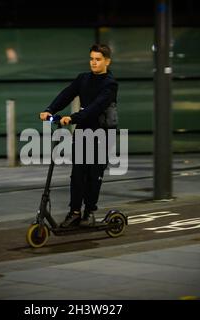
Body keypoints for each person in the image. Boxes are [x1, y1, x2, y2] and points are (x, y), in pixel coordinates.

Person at [39, 44, 118, 228]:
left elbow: (96, 107)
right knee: (77, 173)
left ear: (107, 61)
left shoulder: (110, 84)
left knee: (93, 174)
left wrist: (73, 118)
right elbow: (67, 94)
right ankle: (74, 212)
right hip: (84, 130)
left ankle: (89, 212)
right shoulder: (83, 79)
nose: (94, 62)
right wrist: (50, 109)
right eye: (92, 59)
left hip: (102, 133)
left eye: (98, 59)